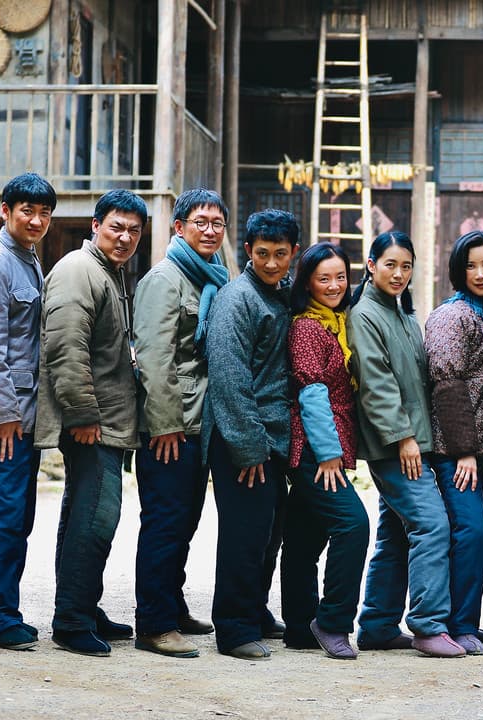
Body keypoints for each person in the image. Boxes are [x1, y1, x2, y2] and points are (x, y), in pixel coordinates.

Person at [37, 189, 147, 657]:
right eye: (116, 227)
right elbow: (65, 347)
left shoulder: (108, 272)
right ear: (96, 226)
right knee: (95, 520)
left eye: (134, 231)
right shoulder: (79, 270)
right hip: (92, 422)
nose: (124, 237)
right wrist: (82, 414)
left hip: (106, 419)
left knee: (84, 514)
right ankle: (72, 620)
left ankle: (82, 606)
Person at [350, 231, 464, 658]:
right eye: (390, 264)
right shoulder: (365, 315)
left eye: (406, 266)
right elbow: (376, 385)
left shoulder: (400, 313)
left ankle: (377, 624)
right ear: (371, 265)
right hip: (396, 446)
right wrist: (404, 438)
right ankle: (428, 625)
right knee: (432, 526)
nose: (399, 274)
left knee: (396, 535)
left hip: (414, 442)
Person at [131, 188, 230, 658]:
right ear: (179, 227)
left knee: (186, 521)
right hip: (170, 427)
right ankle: (153, 624)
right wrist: (164, 424)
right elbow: (154, 359)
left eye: (217, 223)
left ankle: (172, 603)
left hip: (198, 423)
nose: (209, 230)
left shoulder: (213, 276)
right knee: (165, 523)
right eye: (200, 222)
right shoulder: (164, 279)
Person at [0, 173, 56, 651]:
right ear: (6, 211)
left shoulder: (28, 258)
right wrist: (1, 414)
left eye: (44, 213)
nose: (36, 220)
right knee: (0, 518)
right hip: (2, 421)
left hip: (23, 417)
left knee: (16, 519)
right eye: (27, 211)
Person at [203, 209, 298, 660]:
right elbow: (229, 376)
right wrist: (248, 448)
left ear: (293, 252)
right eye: (263, 254)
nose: (271, 263)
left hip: (273, 438)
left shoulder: (282, 295)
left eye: (280, 254)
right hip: (242, 440)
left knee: (268, 533)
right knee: (244, 536)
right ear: (247, 251)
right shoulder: (236, 298)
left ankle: (255, 611)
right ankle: (234, 629)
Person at [281, 242, 370, 660]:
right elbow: (312, 393)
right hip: (314, 451)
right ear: (307, 283)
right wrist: (329, 453)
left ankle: (300, 627)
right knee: (353, 525)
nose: (334, 285)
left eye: (340, 277)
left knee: (304, 539)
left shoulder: (336, 321)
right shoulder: (307, 328)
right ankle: (332, 621)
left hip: (325, 448)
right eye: (324, 278)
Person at [422, 230, 483, 655]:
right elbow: (447, 385)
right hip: (452, 448)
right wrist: (464, 452)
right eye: (471, 265)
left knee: (470, 532)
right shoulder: (451, 315)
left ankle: (464, 618)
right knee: (471, 531)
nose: (480, 273)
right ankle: (459, 625)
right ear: (458, 269)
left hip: (474, 446)